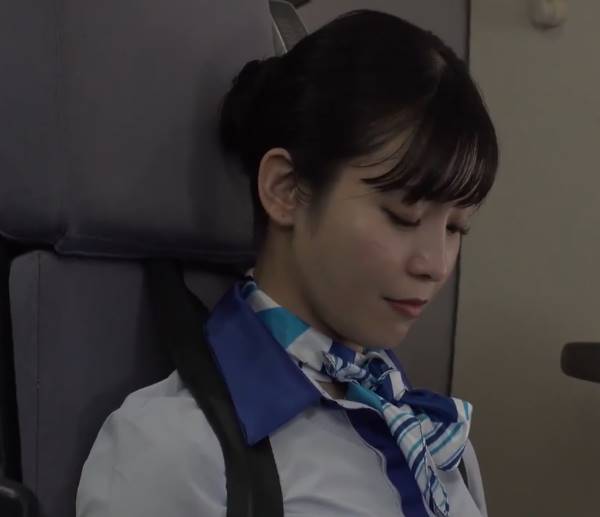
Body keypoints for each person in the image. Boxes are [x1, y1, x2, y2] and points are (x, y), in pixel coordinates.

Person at [76, 9, 498, 517]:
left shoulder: (434, 434)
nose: (436, 264)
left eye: (455, 228)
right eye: (402, 216)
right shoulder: (176, 450)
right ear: (286, 190)